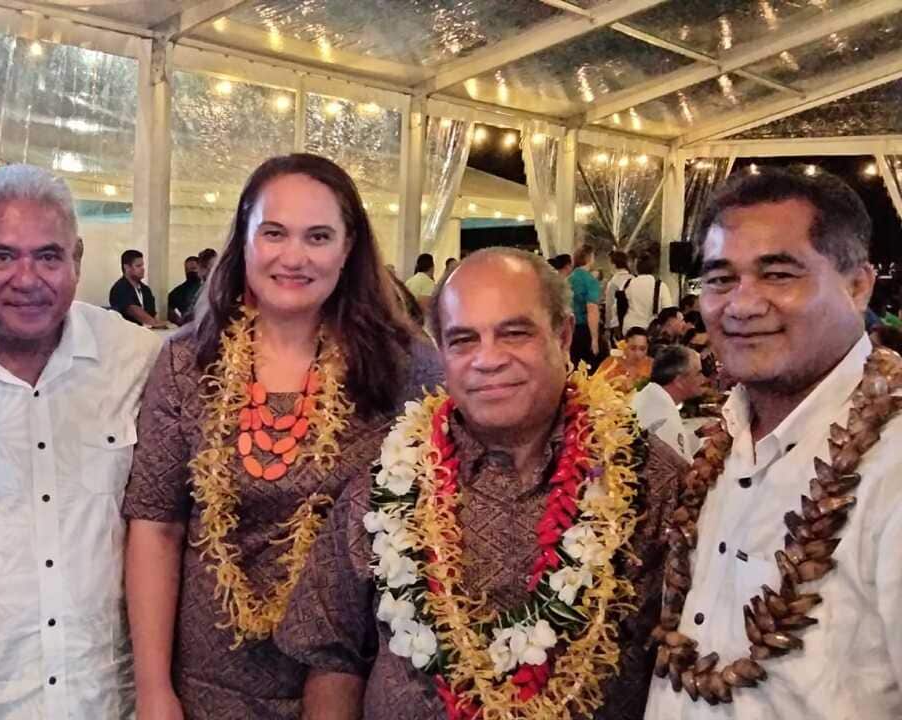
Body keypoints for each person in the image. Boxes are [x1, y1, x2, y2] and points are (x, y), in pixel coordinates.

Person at [276, 248, 683, 720]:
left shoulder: (651, 481)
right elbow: (332, 654)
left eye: (514, 333)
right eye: (464, 340)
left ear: (564, 335)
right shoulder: (383, 484)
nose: (487, 360)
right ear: (441, 352)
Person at [123, 153, 442, 720]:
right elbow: (157, 526)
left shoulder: (404, 365)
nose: (293, 257)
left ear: (348, 250)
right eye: (274, 233)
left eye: (318, 236)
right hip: (207, 688)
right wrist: (154, 691)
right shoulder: (186, 364)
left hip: (355, 686)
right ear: (244, 239)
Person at [645, 168, 902, 717]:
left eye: (778, 274)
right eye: (718, 279)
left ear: (858, 285)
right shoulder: (725, 440)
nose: (740, 305)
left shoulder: (892, 467)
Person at [0, 164, 163, 718]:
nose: (27, 278)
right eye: (3, 255)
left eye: (49, 256)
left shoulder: (137, 359)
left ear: (77, 259)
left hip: (104, 700)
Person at [632, 344, 706, 462]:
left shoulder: (652, 395)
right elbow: (682, 467)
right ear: (679, 381)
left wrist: (698, 434)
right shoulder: (662, 415)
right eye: (698, 373)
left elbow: (674, 446)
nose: (703, 379)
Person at [110, 249, 166, 328]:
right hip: (127, 334)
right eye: (138, 266)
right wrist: (154, 323)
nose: (143, 269)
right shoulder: (119, 288)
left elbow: (153, 314)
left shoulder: (146, 290)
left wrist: (160, 324)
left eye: (142, 265)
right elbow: (133, 310)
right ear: (126, 267)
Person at [622, 253, 674, 334]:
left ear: (637, 268)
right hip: (650, 329)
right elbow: (668, 310)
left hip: (629, 328)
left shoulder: (628, 284)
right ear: (653, 268)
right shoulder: (660, 286)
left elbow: (620, 306)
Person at [569, 244, 602, 367]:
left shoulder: (569, 279)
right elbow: (592, 309)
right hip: (584, 329)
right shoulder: (590, 280)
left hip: (570, 329)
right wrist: (594, 339)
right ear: (589, 258)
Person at [596, 326, 653, 394]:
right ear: (625, 346)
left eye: (642, 349)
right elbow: (596, 386)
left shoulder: (653, 366)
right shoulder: (611, 363)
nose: (637, 354)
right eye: (633, 348)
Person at [605, 250, 635, 344]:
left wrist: (607, 327)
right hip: (632, 321)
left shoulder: (613, 282)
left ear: (614, 264)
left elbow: (609, 306)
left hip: (617, 324)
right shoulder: (634, 279)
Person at [167, 255, 201, 326]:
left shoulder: (209, 287)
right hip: (188, 326)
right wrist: (179, 320)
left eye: (193, 268)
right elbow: (167, 306)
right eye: (187, 270)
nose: (191, 272)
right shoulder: (180, 290)